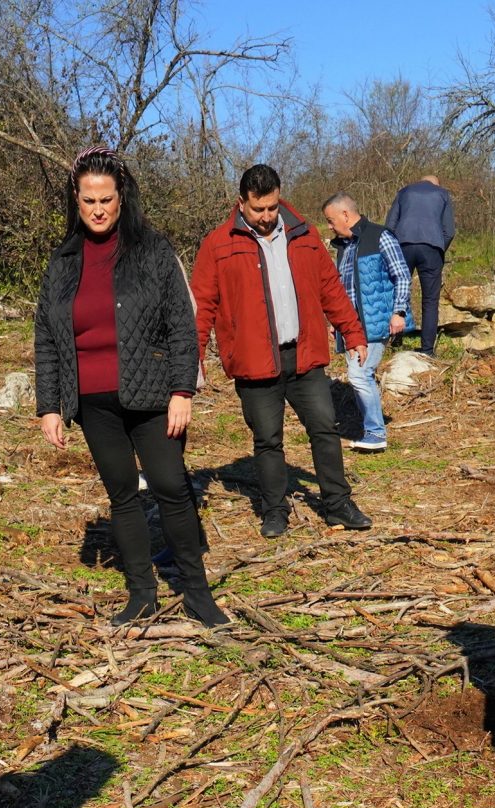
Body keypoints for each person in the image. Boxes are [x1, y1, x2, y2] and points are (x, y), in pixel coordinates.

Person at [30, 148, 222, 627]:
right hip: (93, 402)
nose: (98, 209)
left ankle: (197, 594)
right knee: (122, 495)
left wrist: (183, 390)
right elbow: (47, 338)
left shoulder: (152, 251)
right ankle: (142, 595)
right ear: (76, 201)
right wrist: (48, 406)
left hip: (154, 395)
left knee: (171, 487)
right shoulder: (63, 261)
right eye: (88, 200)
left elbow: (182, 324)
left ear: (122, 199)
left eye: (106, 199)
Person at [190, 163, 371, 537]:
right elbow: (202, 304)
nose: (267, 217)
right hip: (254, 360)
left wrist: (352, 331)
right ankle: (275, 512)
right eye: (259, 210)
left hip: (304, 355)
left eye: (272, 208)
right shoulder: (218, 244)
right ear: (241, 203)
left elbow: (330, 288)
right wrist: (193, 356)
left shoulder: (302, 235)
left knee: (324, 427)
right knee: (267, 440)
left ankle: (338, 504)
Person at [324, 191, 411, 453]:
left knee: (359, 374)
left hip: (375, 322)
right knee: (359, 374)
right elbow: (343, 290)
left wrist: (399, 312)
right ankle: (369, 430)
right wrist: (335, 322)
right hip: (352, 327)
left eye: (330, 220)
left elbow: (402, 275)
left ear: (345, 215)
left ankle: (375, 433)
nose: (329, 226)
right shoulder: (344, 247)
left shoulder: (380, 236)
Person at [385, 174, 452, 356]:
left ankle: (395, 339)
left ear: (420, 181)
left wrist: (392, 249)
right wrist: (439, 248)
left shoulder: (404, 192)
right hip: (432, 248)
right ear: (436, 184)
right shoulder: (442, 194)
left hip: (403, 246)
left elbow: (390, 225)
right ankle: (427, 350)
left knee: (399, 291)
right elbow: (449, 231)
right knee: (430, 301)